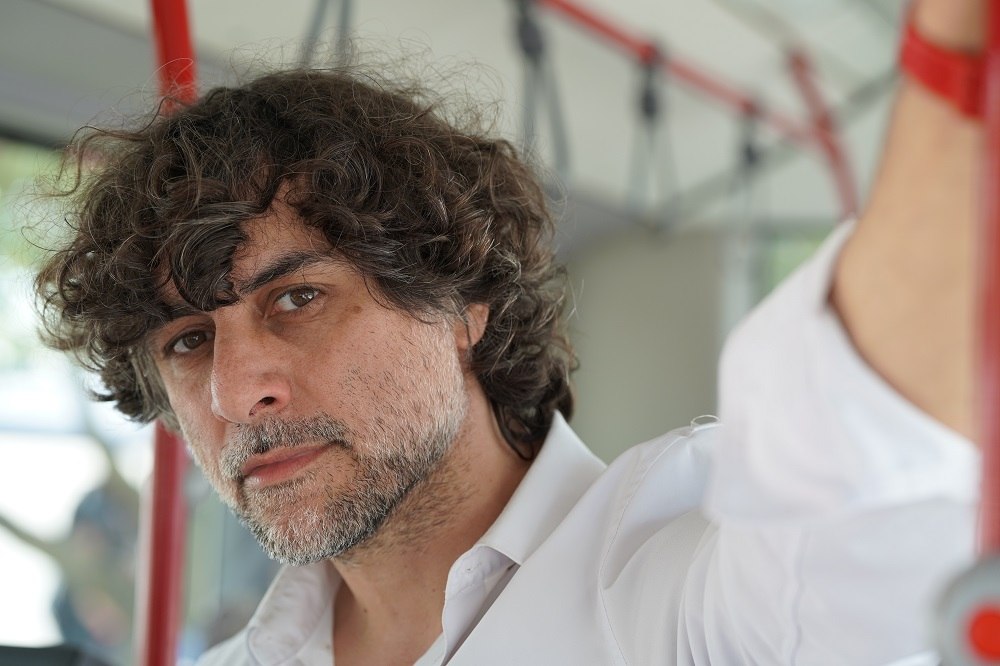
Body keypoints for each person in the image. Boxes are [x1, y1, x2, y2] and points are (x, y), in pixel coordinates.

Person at [33, 0, 982, 662]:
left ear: (461, 303)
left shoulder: (678, 584)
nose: (241, 391)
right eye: (188, 341)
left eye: (298, 298)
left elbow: (864, 457)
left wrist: (959, 60)